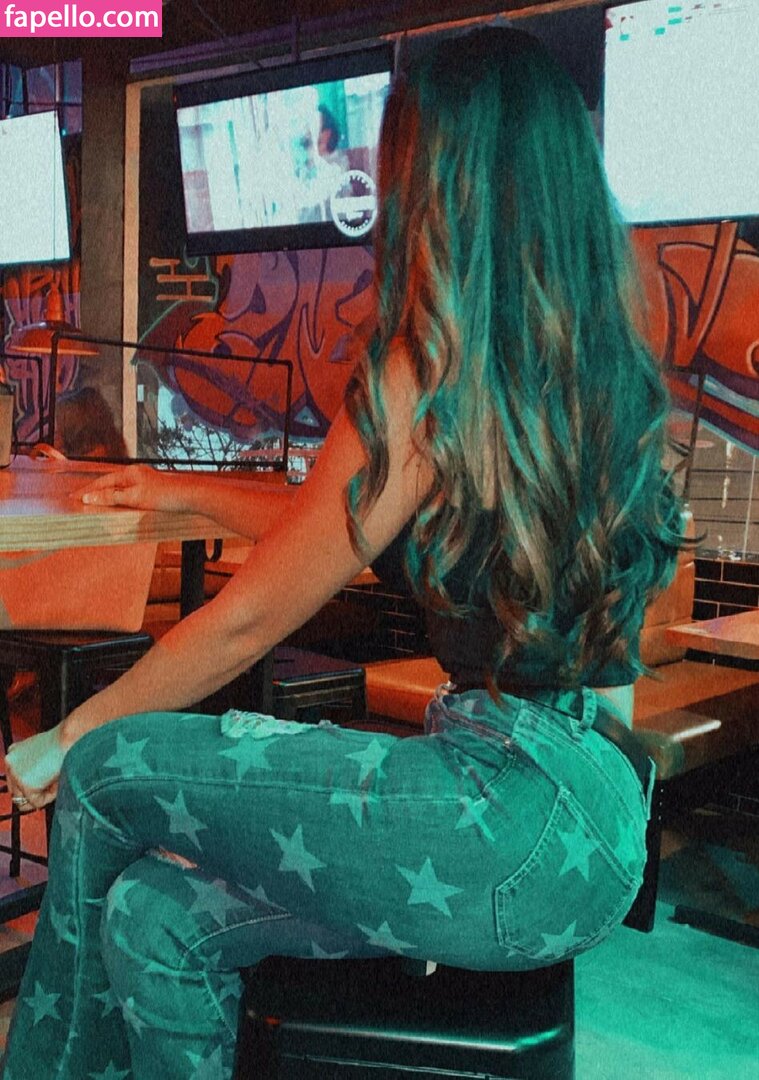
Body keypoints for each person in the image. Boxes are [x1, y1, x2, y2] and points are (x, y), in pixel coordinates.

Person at [3, 27, 684, 1080]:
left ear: (435, 179)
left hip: (499, 810)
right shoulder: (594, 373)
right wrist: (180, 488)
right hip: (593, 832)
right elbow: (333, 520)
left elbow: (248, 617)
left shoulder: (425, 368)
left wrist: (64, 737)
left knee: (105, 770)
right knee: (153, 913)